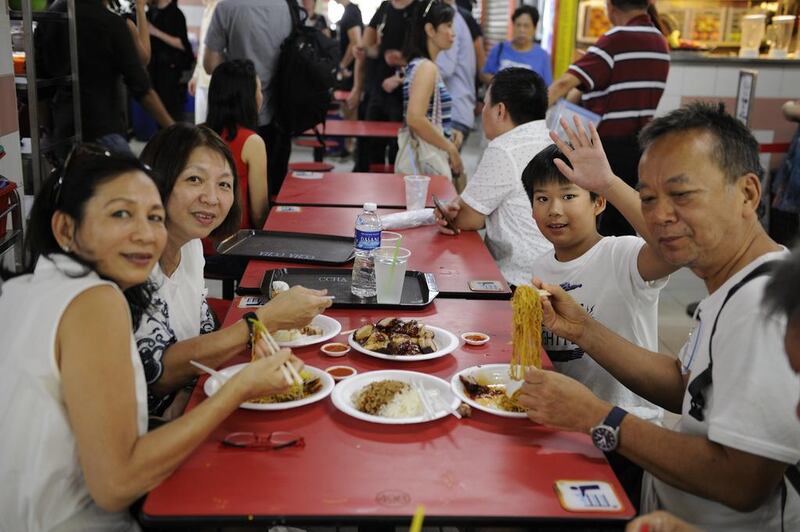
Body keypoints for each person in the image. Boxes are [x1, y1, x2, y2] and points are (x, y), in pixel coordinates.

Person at [520, 104, 800, 529]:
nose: (660, 216)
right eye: (648, 199)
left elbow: (743, 482)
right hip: (662, 506)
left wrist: (599, 416)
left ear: (747, 194)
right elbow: (684, 387)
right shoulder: (729, 287)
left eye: (682, 194)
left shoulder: (765, 306)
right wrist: (584, 330)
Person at [0, 145, 300, 530]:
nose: (145, 234)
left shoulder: (25, 286)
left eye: (154, 217)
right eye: (121, 214)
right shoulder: (95, 301)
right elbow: (116, 483)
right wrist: (238, 389)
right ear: (65, 228)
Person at [137, 124, 331, 417]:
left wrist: (256, 338)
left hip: (194, 402)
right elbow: (157, 374)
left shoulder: (190, 247)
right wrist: (261, 322)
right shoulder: (133, 260)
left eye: (224, 184)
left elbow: (204, 331)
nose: (212, 198)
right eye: (194, 179)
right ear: (156, 182)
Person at [523, 143, 675, 504]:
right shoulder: (541, 265)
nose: (554, 210)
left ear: (599, 203)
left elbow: (667, 249)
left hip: (625, 429)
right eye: (542, 198)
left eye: (568, 195)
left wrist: (608, 182)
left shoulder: (622, 255)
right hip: (565, 422)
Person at [548, 0, 669, 237]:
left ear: (610, 7)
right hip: (642, 147)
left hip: (608, 149)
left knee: (603, 222)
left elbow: (565, 83)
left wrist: (530, 114)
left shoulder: (616, 39)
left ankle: (606, 272)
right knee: (627, 217)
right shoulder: (660, 41)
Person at [434, 68, 551, 287]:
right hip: (555, 281)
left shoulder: (505, 148)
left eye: (485, 104)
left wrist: (450, 213)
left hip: (518, 284)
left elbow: (468, 219)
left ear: (500, 111)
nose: (482, 111)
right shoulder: (550, 140)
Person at [35, 0, 174, 155]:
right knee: (131, 177)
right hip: (102, 132)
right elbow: (141, 88)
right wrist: (173, 128)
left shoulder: (49, 18)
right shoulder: (111, 22)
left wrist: (48, 131)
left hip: (63, 131)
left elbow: (40, 87)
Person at [203, 0, 293, 198]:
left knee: (230, 187)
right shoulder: (288, 7)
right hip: (280, 113)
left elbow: (210, 64)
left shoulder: (227, 7)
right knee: (274, 191)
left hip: (235, 118)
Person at [204, 59, 269, 280]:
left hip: (194, 245)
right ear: (248, 99)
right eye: (259, 90)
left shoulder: (196, 137)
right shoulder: (251, 142)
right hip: (234, 248)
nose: (262, 96)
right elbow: (259, 213)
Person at [401, 0, 462, 178]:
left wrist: (449, 132)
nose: (453, 33)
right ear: (430, 30)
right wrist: (449, 147)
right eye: (448, 26)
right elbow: (415, 118)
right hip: (426, 161)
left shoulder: (419, 65)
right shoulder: (426, 68)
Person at [353, 0, 416, 171]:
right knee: (372, 147)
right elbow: (371, 49)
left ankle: (395, 194)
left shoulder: (421, 8)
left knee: (398, 150)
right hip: (378, 89)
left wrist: (402, 69)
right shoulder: (385, 8)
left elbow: (428, 56)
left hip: (406, 93)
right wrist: (363, 51)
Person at [436, 0, 476, 148]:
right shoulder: (450, 17)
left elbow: (444, 68)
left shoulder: (449, 20)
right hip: (454, 112)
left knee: (443, 169)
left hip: (453, 114)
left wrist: (410, 73)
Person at [146, 0, 195, 122]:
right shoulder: (150, 13)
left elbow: (182, 44)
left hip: (170, 70)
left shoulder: (176, 14)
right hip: (154, 68)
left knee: (172, 111)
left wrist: (155, 31)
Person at [481, 6, 551, 86]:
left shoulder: (542, 56)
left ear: (534, 28)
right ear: (513, 26)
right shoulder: (499, 49)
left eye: (526, 26)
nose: (521, 30)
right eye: (518, 25)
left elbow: (547, 86)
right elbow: (484, 75)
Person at [188, 0, 219, 123]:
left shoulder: (221, 7)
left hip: (215, 81)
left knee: (211, 131)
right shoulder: (207, 8)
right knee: (201, 128)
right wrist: (196, 75)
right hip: (203, 80)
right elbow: (203, 48)